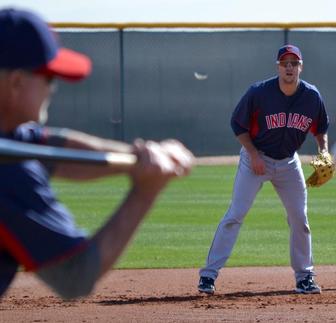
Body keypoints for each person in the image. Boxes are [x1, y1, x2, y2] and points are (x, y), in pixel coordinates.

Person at [0, 8, 194, 299]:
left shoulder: (10, 137)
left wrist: (136, 156)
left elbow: (52, 148)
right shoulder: (10, 171)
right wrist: (145, 190)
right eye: (49, 78)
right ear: (15, 82)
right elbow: (75, 276)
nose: (53, 90)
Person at [198, 44, 331, 295]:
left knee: (299, 219)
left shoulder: (312, 96)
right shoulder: (259, 93)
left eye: (294, 63)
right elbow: (238, 125)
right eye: (285, 63)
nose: (289, 67)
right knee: (236, 214)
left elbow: (320, 128)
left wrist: (323, 150)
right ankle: (208, 275)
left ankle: (305, 276)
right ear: (278, 67)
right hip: (255, 160)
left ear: (301, 66)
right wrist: (253, 154)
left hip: (289, 163)